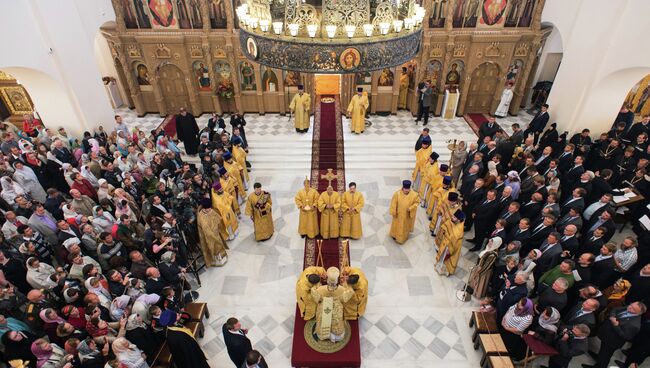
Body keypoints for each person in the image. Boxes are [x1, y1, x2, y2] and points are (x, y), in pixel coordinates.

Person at [311, 267, 353, 342]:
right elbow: (345, 298)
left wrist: (315, 286)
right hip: (337, 308)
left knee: (322, 319)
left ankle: (323, 335)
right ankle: (335, 336)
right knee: (337, 320)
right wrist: (346, 284)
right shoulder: (342, 289)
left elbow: (317, 299)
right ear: (337, 280)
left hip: (324, 308)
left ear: (327, 279)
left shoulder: (321, 289)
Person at [197, 198, 228, 267]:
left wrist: (218, 227)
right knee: (214, 247)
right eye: (208, 209)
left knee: (219, 246)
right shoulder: (201, 217)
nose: (210, 210)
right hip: (209, 236)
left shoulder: (210, 210)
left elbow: (218, 218)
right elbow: (206, 230)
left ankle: (222, 258)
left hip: (216, 232)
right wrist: (214, 235)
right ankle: (216, 262)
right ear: (204, 208)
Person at [434, 209, 465, 276]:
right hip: (446, 242)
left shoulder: (459, 231)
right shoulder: (454, 222)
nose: (452, 218)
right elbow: (447, 225)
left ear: (459, 220)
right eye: (453, 216)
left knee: (446, 259)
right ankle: (439, 266)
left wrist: (449, 250)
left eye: (454, 217)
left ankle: (444, 271)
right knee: (442, 256)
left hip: (450, 247)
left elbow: (455, 243)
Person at [389, 180, 420, 244]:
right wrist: (393, 212)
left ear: (410, 188)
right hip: (398, 214)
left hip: (407, 215)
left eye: (408, 189)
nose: (406, 190)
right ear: (403, 188)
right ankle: (394, 235)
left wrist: (411, 208)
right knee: (396, 225)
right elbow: (393, 203)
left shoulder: (414, 195)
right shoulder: (397, 194)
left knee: (404, 226)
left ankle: (404, 237)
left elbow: (416, 203)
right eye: (405, 189)